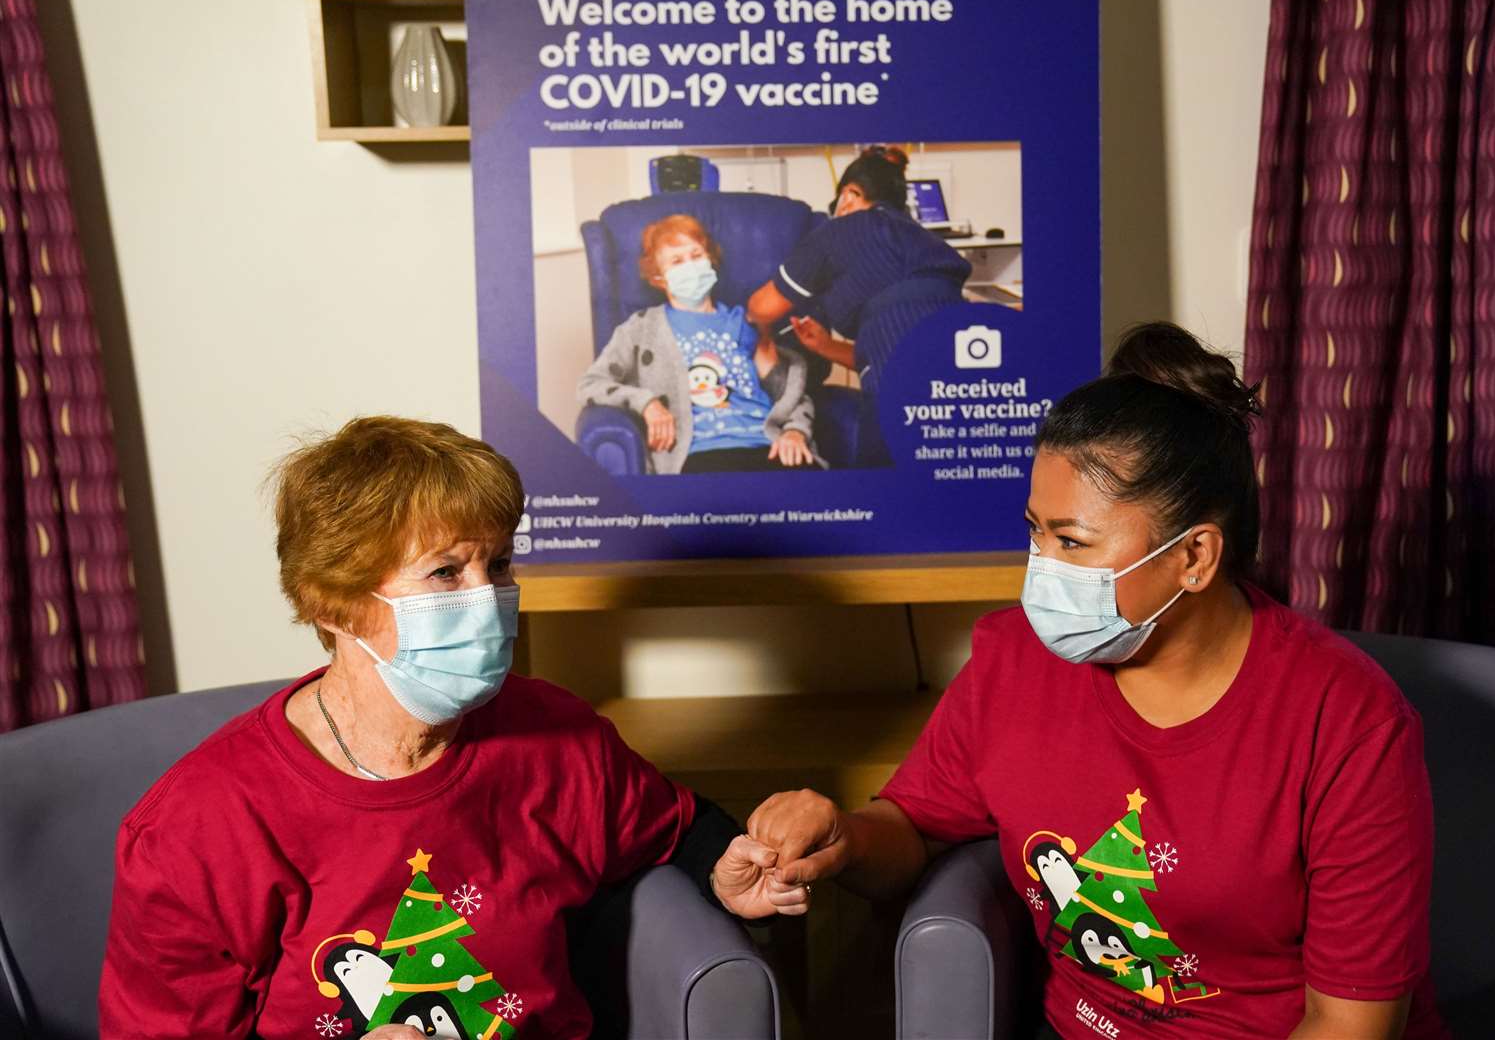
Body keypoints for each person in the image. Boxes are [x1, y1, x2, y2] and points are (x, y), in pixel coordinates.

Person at [740, 325, 1449, 1038]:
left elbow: (1350, 1026)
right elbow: (918, 827)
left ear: (1195, 556)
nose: (1040, 570)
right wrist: (844, 839)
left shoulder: (1349, 723)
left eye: (1071, 542)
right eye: (1034, 534)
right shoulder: (1013, 659)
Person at [98, 417, 795, 1039]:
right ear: (333, 604)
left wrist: (729, 876)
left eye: (496, 563)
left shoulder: (556, 736)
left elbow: (671, 827)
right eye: (444, 571)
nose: (486, 599)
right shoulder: (201, 825)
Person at [745, 146, 971, 467]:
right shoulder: (925, 238)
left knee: (884, 486)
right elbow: (900, 344)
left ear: (849, 195)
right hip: (967, 369)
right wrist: (825, 346)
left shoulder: (839, 230)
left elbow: (763, 307)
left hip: (896, 382)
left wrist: (745, 320)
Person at [580, 213, 818, 474]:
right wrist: (648, 403)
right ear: (658, 278)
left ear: (711, 260)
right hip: (701, 454)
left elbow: (791, 392)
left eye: (696, 255)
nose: (690, 266)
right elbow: (591, 385)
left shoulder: (744, 323)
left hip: (768, 445)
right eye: (677, 261)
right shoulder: (641, 328)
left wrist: (795, 431)